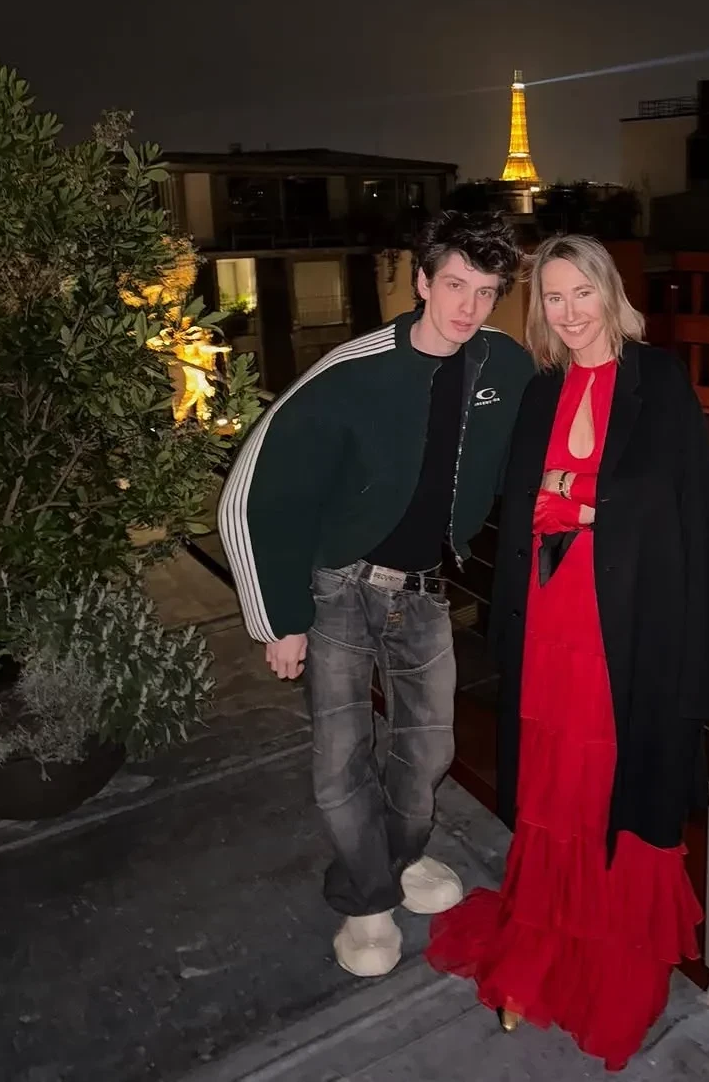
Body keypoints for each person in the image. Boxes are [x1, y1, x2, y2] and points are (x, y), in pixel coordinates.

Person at [426, 234, 709, 1070]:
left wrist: (583, 501)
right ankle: (544, 945)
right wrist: (560, 495)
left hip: (628, 628)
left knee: (611, 785)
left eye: (580, 293)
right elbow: (518, 496)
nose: (567, 312)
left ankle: (611, 960)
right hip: (550, 621)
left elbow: (677, 505)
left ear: (608, 292)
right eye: (552, 298)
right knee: (555, 788)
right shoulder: (541, 390)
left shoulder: (658, 379)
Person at [218, 211, 532, 979]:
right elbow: (256, 489)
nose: (467, 306)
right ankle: (366, 897)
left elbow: (537, 449)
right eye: (454, 284)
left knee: (429, 749)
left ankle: (397, 856)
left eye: (485, 291)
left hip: (424, 590)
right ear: (422, 280)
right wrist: (278, 619)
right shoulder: (353, 370)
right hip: (339, 589)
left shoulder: (504, 365)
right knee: (341, 757)